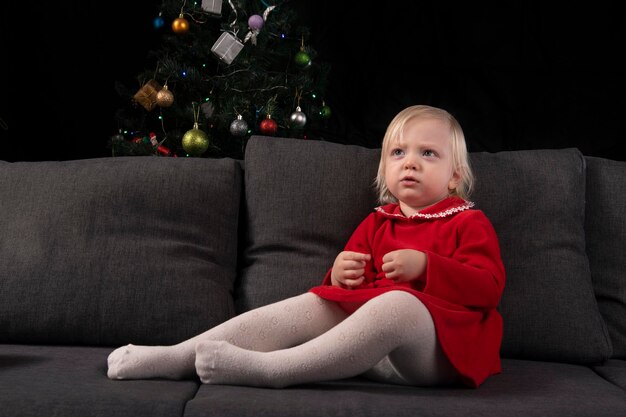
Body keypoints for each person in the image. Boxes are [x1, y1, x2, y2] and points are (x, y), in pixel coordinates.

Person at [107, 104, 505, 389]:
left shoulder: (467, 221)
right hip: (366, 356)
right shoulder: (378, 221)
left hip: (438, 355)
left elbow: (488, 288)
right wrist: (341, 273)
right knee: (316, 300)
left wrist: (426, 267)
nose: (410, 162)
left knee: (399, 303)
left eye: (428, 153)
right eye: (398, 153)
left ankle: (272, 370)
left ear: (454, 176)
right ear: (384, 168)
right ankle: (177, 356)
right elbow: (342, 293)